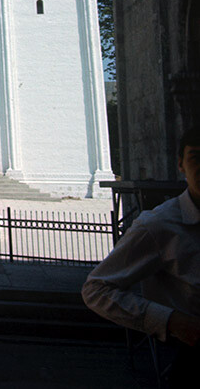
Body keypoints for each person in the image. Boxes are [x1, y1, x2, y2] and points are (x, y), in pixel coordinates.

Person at [83, 127, 200, 386]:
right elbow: (96, 289)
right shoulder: (160, 225)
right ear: (180, 164)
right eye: (195, 157)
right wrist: (172, 321)